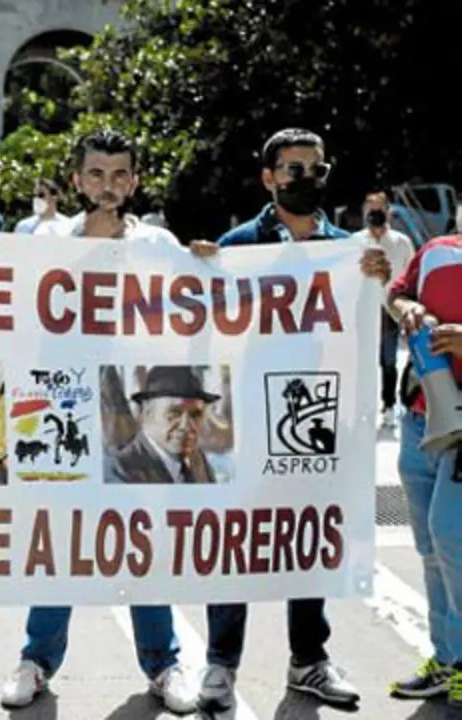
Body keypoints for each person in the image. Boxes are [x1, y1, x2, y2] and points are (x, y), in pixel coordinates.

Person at [190, 128, 391, 712]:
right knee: (237, 543)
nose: (306, 178)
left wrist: (375, 280)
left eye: (315, 168)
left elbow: (359, 333)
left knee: (307, 538)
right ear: (269, 178)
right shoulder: (238, 244)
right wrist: (200, 270)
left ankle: (309, 660)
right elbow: (202, 331)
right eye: (293, 169)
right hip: (246, 418)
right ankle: (221, 665)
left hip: (313, 415)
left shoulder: (347, 250)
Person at [1, 129, 198, 715]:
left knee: (140, 542)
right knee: (58, 545)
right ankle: (37, 660)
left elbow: (202, 305)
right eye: (95, 175)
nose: (107, 186)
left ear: (134, 181)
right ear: (76, 180)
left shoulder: (160, 243)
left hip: (134, 418)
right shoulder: (44, 239)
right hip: (63, 415)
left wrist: (214, 266)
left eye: (119, 175)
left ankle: (163, 665)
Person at [384, 234, 462, 710]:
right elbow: (396, 292)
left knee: (451, 541)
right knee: (431, 550)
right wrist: (407, 307)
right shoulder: (436, 249)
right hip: (420, 419)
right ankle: (445, 658)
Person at [352, 189, 415, 427]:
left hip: (388, 307)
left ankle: (389, 405)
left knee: (388, 360)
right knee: (363, 360)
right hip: (363, 308)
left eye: (380, 209)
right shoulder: (354, 242)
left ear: (388, 211)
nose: (376, 214)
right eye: (371, 209)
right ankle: (363, 407)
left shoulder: (401, 242)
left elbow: (411, 274)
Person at [105, 366, 220, 484]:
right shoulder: (119, 469)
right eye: (174, 413)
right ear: (147, 413)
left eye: (195, 414)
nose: (185, 425)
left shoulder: (199, 465)